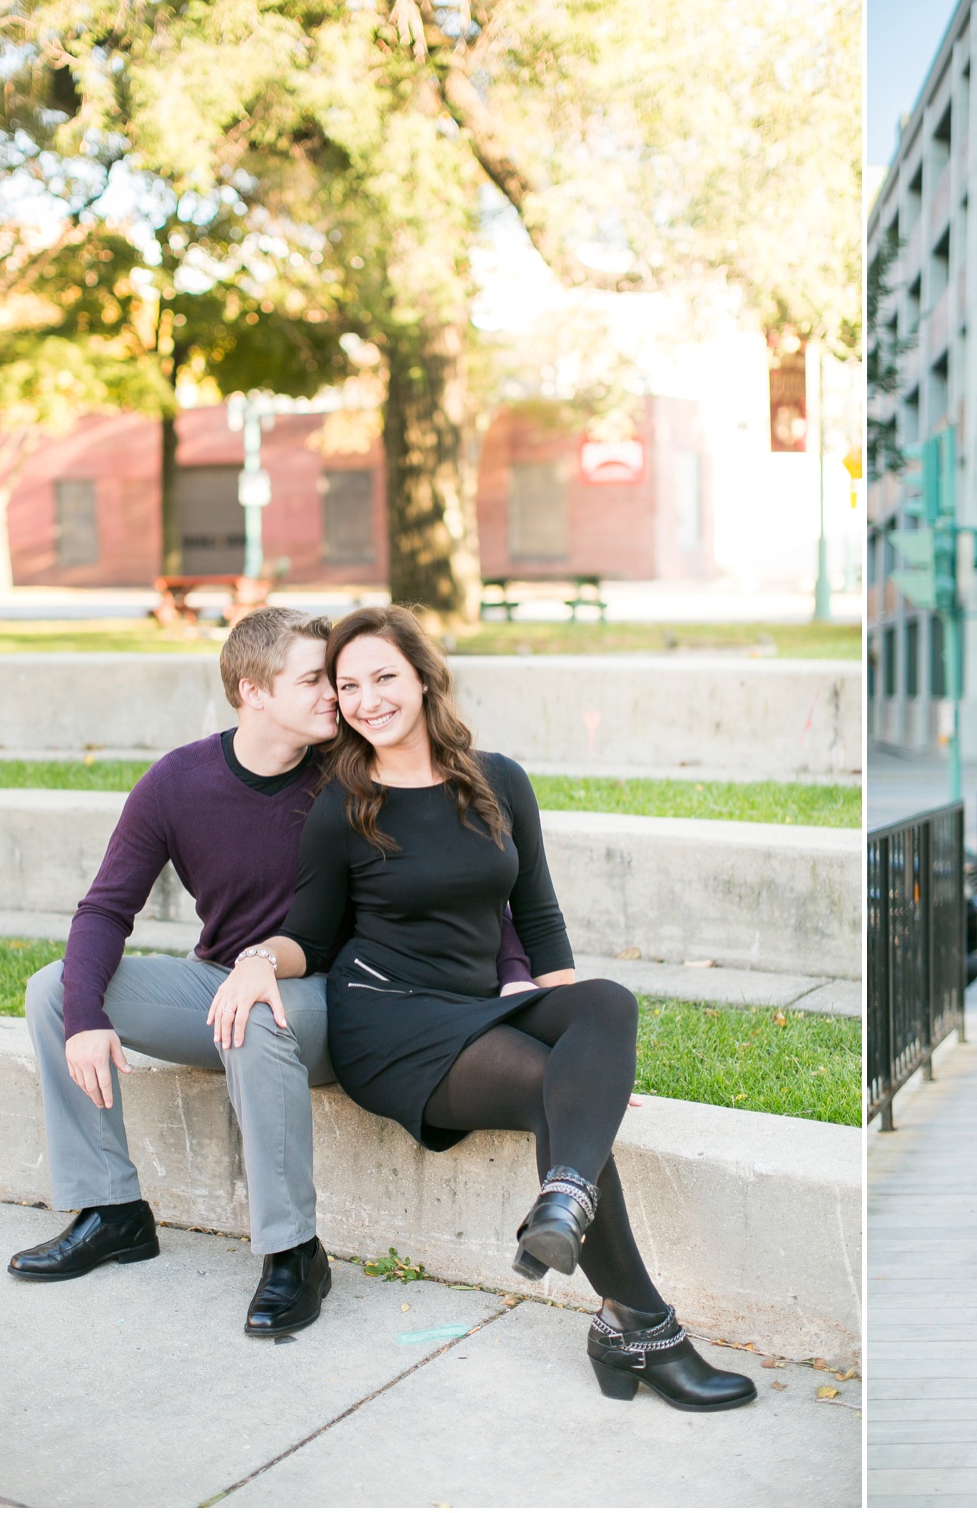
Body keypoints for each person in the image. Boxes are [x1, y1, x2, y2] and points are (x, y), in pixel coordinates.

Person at [218, 605, 756, 1412]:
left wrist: (595, 1073)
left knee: (606, 1005)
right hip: (390, 1024)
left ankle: (566, 1201)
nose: (366, 700)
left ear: (425, 676)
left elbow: (538, 916)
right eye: (348, 685)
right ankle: (644, 1330)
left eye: (383, 677)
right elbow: (308, 935)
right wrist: (259, 962)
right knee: (552, 1087)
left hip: (473, 1006)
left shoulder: (498, 778)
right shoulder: (343, 803)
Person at [10, 607, 522, 1336]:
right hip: (222, 979)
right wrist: (89, 1018)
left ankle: (294, 1253)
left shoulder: (356, 771)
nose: (337, 697)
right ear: (253, 690)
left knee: (256, 1015)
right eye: (315, 679)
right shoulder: (176, 782)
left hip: (342, 995)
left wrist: (516, 976)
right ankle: (111, 1210)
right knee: (56, 991)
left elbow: (469, 882)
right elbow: (104, 910)